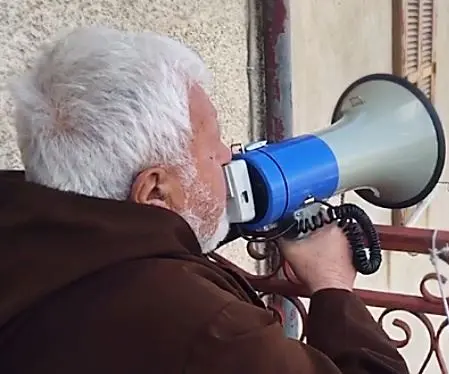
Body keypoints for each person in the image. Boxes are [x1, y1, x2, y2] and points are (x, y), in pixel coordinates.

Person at [0, 26, 409, 374]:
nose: (230, 155)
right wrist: (333, 286)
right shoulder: (210, 330)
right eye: (212, 149)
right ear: (155, 191)